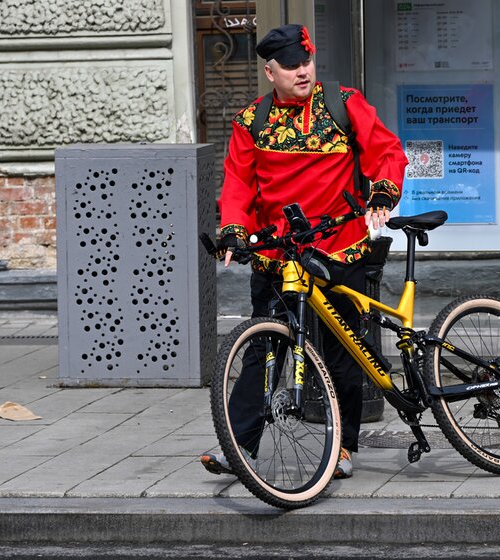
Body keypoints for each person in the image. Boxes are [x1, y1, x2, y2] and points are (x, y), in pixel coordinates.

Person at [200, 23, 407, 480]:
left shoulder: (344, 104)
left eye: (306, 62)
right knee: (261, 348)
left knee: (343, 351)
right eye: (291, 65)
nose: (303, 71)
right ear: (270, 72)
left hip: (339, 247)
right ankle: (241, 447)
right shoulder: (251, 121)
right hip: (280, 255)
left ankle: (344, 446)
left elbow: (386, 151)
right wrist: (233, 231)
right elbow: (238, 183)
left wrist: (382, 192)